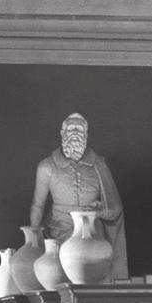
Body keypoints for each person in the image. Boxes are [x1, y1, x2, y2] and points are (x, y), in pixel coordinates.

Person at [29, 113, 127, 280]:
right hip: (58, 233)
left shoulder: (99, 166)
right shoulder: (47, 167)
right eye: (71, 128)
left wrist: (100, 209)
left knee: (95, 283)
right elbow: (38, 205)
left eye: (80, 129)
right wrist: (33, 243)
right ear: (62, 132)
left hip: (94, 236)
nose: (75, 132)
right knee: (56, 280)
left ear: (86, 135)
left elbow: (115, 207)